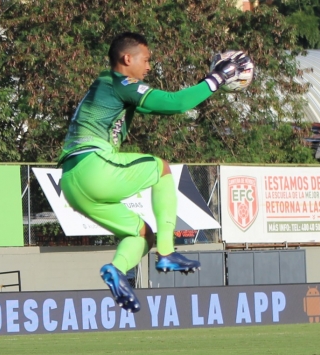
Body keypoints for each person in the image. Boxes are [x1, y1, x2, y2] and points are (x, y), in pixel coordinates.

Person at [59, 32, 252, 312]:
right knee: (160, 168)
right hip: (92, 167)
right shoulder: (120, 84)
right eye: (146, 60)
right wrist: (218, 79)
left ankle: (116, 269)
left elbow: (168, 104)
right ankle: (167, 251)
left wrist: (203, 85)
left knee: (140, 234)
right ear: (127, 59)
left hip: (72, 184)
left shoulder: (107, 86)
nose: (149, 67)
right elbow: (176, 104)